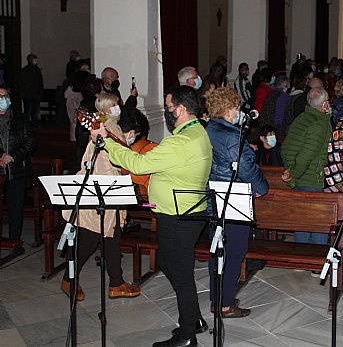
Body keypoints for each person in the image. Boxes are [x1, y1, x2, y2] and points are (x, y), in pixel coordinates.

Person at [90, 86, 211, 347]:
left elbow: (137, 164)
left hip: (178, 216)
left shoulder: (181, 142)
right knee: (170, 264)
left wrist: (107, 140)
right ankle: (195, 319)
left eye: (168, 108)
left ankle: (188, 334)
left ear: (180, 109)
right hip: (186, 213)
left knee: (180, 274)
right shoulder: (198, 131)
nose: (167, 113)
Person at [61, 92, 141, 301]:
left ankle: (116, 282)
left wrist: (126, 145)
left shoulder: (111, 127)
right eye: (113, 105)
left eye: (117, 104)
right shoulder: (104, 128)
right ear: (104, 109)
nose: (117, 108)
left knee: (111, 237)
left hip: (107, 193)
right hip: (101, 191)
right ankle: (69, 278)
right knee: (90, 237)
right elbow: (105, 163)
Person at [204, 87, 269, 318]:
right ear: (229, 109)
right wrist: (262, 188)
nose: (239, 111)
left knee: (217, 252)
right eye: (236, 107)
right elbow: (246, 167)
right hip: (233, 200)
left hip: (213, 199)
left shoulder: (209, 128)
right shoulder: (232, 136)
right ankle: (225, 304)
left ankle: (217, 298)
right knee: (234, 252)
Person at [281, 88, 333, 244]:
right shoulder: (319, 124)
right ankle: (316, 259)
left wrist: (290, 169)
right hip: (311, 178)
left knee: (303, 220)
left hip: (301, 176)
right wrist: (294, 173)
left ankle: (301, 252)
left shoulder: (302, 118)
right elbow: (306, 156)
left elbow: (286, 148)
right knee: (318, 221)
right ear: (324, 105)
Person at [0, 84, 35, 256]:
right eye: (0, 97)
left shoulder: (20, 118)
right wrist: (1, 155)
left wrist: (12, 157)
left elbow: (29, 143)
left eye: (5, 96)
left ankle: (15, 239)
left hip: (16, 169)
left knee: (15, 207)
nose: (3, 100)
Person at [18, 53, 44, 126]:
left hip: (36, 95)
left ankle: (34, 125)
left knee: (35, 112)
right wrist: (23, 94)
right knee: (28, 111)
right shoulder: (25, 70)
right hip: (28, 95)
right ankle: (26, 126)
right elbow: (22, 83)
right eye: (34, 58)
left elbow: (40, 83)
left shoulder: (37, 70)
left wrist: (40, 93)